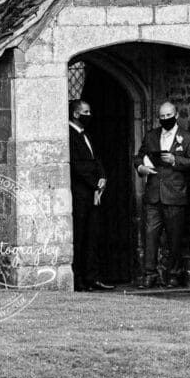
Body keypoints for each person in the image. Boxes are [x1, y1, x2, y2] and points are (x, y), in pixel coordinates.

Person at [134, 100, 190, 288]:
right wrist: (141, 167)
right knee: (150, 235)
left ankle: (174, 274)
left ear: (176, 116)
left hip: (175, 194)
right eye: (161, 117)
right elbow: (140, 155)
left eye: (168, 116)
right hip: (153, 193)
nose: (165, 119)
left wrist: (174, 160)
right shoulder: (151, 135)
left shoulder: (187, 137)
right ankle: (149, 274)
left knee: (174, 237)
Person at [68, 98, 114, 293]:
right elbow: (78, 166)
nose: (89, 115)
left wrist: (102, 177)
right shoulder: (69, 135)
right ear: (76, 114)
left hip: (93, 195)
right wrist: (94, 183)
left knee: (92, 237)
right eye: (85, 112)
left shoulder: (86, 135)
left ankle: (92, 277)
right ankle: (78, 279)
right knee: (80, 238)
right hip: (80, 196)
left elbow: (95, 160)